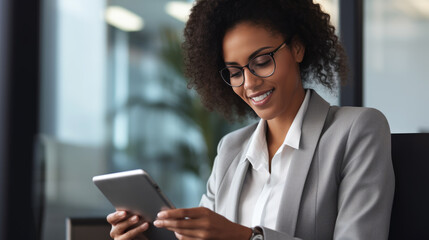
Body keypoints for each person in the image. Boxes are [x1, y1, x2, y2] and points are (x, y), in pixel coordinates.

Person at [107, 0, 395, 239]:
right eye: (235, 72)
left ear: (297, 48)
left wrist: (245, 237)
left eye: (261, 62)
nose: (249, 83)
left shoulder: (357, 130)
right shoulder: (231, 149)